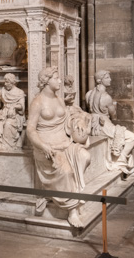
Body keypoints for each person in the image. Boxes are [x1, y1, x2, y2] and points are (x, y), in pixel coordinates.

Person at [26, 67, 91, 228]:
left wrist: (80, 121)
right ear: (47, 81)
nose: (60, 81)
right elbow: (30, 130)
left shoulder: (59, 99)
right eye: (56, 78)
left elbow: (68, 120)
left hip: (64, 143)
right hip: (47, 147)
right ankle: (72, 210)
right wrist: (43, 146)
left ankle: (73, 192)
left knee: (85, 157)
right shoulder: (37, 102)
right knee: (67, 171)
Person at [85, 70, 134, 175]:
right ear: (100, 80)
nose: (110, 79)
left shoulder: (89, 94)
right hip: (104, 125)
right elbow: (113, 114)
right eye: (107, 78)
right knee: (133, 137)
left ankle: (120, 161)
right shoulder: (106, 98)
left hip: (93, 124)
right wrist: (113, 107)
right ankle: (120, 161)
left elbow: (90, 108)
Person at [0, 73, 26, 150]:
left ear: (12, 82)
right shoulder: (2, 91)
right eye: (5, 82)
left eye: (7, 82)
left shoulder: (19, 92)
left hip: (15, 114)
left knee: (8, 124)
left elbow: (21, 106)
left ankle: (7, 145)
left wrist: (14, 107)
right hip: (4, 113)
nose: (5, 84)